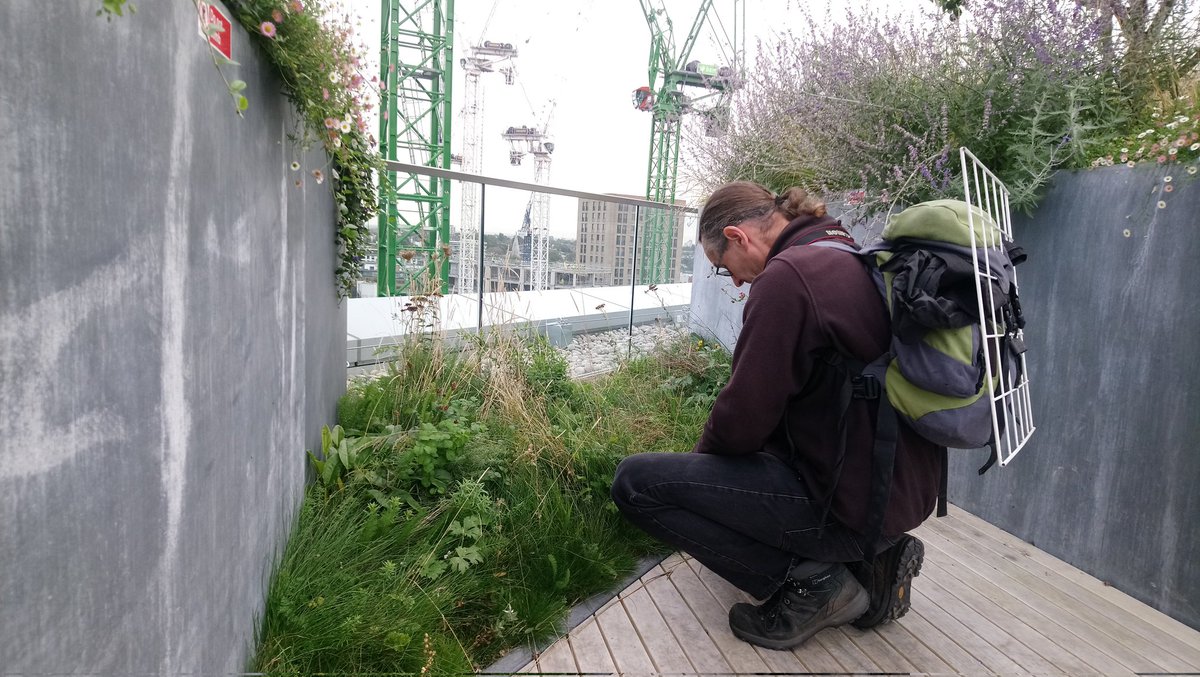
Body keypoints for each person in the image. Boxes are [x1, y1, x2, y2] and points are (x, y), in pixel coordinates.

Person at [610, 181, 944, 650]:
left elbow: (740, 421)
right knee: (757, 458)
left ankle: (816, 586)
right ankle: (872, 564)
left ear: (738, 236)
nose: (739, 282)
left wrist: (703, 478)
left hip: (850, 508)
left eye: (725, 269)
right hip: (888, 494)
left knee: (636, 484)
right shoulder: (840, 247)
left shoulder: (788, 279)